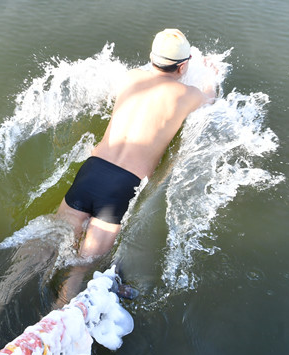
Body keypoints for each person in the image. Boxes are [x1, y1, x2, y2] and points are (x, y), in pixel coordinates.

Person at [56, 29, 220, 272]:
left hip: (91, 170)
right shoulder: (186, 94)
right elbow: (211, 98)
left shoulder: (130, 77)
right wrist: (211, 75)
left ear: (152, 58)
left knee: (44, 248)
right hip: (122, 185)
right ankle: (63, 304)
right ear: (182, 67)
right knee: (78, 271)